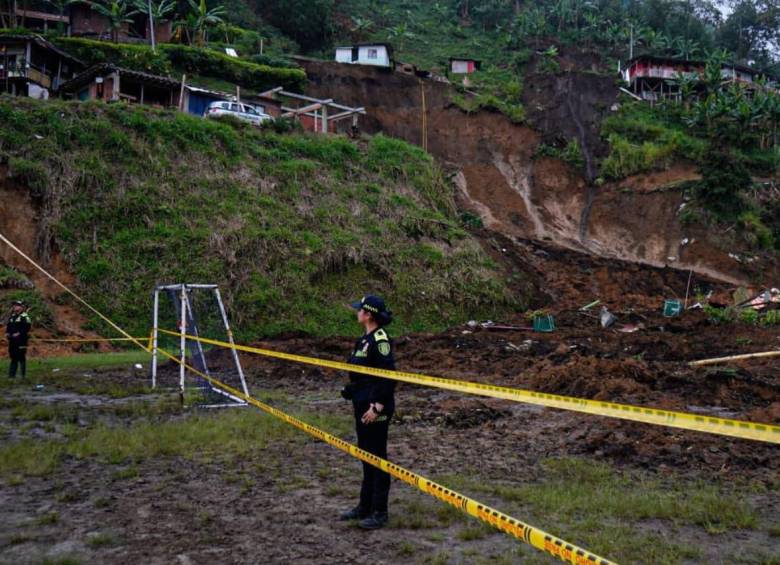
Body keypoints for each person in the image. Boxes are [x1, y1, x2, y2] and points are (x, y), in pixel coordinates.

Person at [339, 294, 396, 530]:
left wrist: (378, 407)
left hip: (375, 408)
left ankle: (380, 511)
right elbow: (364, 375)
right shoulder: (363, 340)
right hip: (362, 405)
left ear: (369, 314)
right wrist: (351, 390)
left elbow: (388, 377)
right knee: (366, 456)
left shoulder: (380, 340)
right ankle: (365, 505)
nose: (357, 312)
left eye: (360, 309)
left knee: (377, 457)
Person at [6, 300, 31, 379]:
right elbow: (8, 327)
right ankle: (11, 375)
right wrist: (7, 333)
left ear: (21, 307)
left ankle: (22, 375)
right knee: (13, 357)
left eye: (17, 305)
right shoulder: (12, 317)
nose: (14, 307)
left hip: (21, 340)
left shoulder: (24, 316)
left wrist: (19, 333)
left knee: (21, 357)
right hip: (12, 340)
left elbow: (27, 327)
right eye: (14, 305)